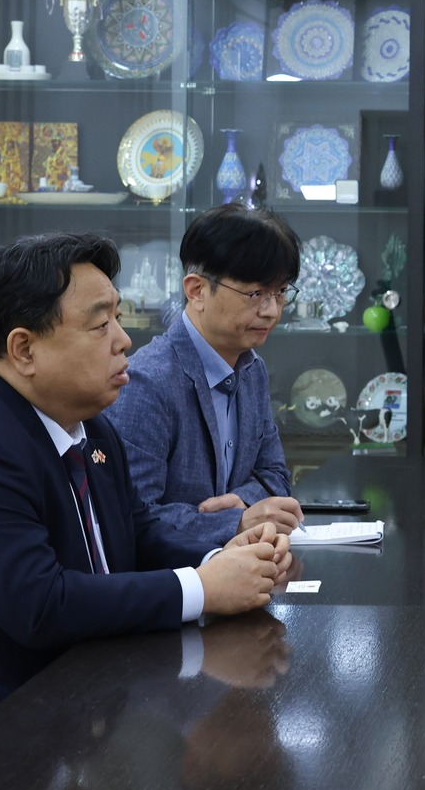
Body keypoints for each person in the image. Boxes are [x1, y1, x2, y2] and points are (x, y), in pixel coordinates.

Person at [0, 232, 288, 778]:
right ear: (24, 350)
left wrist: (225, 554)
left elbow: (135, 531)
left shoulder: (88, 427)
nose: (124, 340)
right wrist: (203, 588)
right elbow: (42, 604)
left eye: (118, 318)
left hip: (63, 709)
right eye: (100, 325)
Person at [106, 205, 306, 551]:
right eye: (256, 294)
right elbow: (132, 519)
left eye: (280, 292)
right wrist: (234, 522)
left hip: (244, 565)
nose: (272, 311)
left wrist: (243, 502)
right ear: (197, 290)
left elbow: (274, 476)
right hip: (178, 578)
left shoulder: (252, 370)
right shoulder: (146, 383)